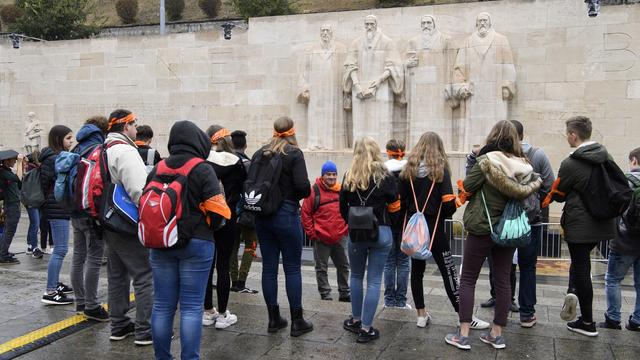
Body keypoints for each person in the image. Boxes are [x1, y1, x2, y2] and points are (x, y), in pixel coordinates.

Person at [445, 121, 541, 350]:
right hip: (508, 229)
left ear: (493, 137)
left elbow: (467, 187)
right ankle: (496, 334)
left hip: (482, 227)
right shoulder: (525, 166)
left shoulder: (486, 162)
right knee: (503, 280)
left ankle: (464, 334)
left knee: (468, 278)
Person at [149, 120, 230, 360]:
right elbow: (219, 213)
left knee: (163, 305)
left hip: (162, 241)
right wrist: (211, 226)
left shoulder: (159, 167)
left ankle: (162, 357)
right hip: (196, 243)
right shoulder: (202, 168)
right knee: (192, 307)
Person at [399, 132, 489, 330]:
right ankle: (463, 316)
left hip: (415, 232)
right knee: (449, 271)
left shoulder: (408, 171)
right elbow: (448, 207)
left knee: (417, 272)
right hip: (435, 232)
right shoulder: (440, 170)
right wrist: (459, 199)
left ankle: (421, 315)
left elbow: (403, 203)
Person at [544, 116, 618, 337]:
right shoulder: (606, 156)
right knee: (579, 266)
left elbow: (559, 194)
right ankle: (572, 294)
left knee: (582, 271)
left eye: (567, 134)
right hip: (603, 223)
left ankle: (587, 322)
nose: (567, 138)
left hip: (580, 226)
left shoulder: (571, 162)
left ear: (573, 135)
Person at [253, 117, 314, 337]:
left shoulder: (260, 152)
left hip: (262, 217)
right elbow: (303, 188)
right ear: (291, 132)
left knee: (269, 268)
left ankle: (273, 319)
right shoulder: (294, 153)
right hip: (286, 214)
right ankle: (297, 321)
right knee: (292, 268)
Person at [340, 137, 399, 343]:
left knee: (355, 276)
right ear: (376, 152)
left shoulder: (349, 176)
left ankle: (355, 320)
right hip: (381, 232)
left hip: (356, 234)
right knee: (374, 280)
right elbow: (395, 205)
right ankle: (366, 328)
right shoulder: (386, 176)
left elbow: (342, 209)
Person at [103, 109, 153, 346]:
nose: (136, 128)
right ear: (125, 126)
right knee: (144, 275)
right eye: (134, 124)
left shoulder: (103, 149)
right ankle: (145, 330)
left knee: (117, 275)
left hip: (108, 221)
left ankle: (119, 325)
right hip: (127, 223)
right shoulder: (126, 151)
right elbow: (138, 191)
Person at [511, 120, 555, 328]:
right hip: (531, 221)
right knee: (528, 267)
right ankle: (527, 314)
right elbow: (549, 185)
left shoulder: (497, 157)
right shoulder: (538, 155)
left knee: (502, 267)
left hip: (505, 222)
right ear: (521, 134)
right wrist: (536, 202)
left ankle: (500, 313)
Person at [202, 125, 247, 329]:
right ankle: (222, 314)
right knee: (223, 266)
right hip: (227, 217)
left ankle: (207, 311)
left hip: (207, 218)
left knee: (207, 267)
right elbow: (242, 188)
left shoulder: (203, 162)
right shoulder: (236, 162)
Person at [69, 115, 110, 321]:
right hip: (91, 211)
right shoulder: (98, 149)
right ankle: (92, 306)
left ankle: (81, 302)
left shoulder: (76, 147)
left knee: (78, 256)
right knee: (94, 257)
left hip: (74, 210)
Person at [599, 147, 640, 332]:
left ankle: (613, 319)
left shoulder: (625, 181)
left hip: (624, 240)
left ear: (633, 160)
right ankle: (637, 321)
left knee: (613, 279)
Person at [301, 160, 350, 302]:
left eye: (334, 174)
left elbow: (348, 209)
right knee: (321, 268)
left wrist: (346, 228)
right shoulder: (314, 191)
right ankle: (325, 293)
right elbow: (306, 213)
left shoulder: (341, 190)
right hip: (321, 237)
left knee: (344, 266)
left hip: (340, 236)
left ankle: (344, 292)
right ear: (323, 175)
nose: (332, 177)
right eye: (329, 174)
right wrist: (312, 234)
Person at [40, 125, 75, 304]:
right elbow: (48, 185)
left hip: (55, 208)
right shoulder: (55, 159)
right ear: (58, 139)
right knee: (60, 249)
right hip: (57, 208)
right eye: (68, 138)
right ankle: (51, 291)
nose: (71, 142)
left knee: (59, 249)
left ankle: (54, 283)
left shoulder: (51, 158)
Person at [229, 130, 259, 294]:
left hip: (229, 211)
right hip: (247, 212)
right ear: (245, 145)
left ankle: (233, 281)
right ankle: (241, 282)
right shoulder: (249, 164)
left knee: (232, 247)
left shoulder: (225, 162)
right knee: (250, 245)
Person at [382, 139, 411, 309]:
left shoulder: (383, 173)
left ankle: (388, 300)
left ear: (388, 152)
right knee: (404, 262)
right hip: (405, 221)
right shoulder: (409, 173)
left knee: (389, 262)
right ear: (403, 152)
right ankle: (400, 300)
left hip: (387, 221)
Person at [0, 150, 25, 264]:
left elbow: (19, 182)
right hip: (11, 205)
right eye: (13, 160)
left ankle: (3, 251)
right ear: (6, 161)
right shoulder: (2, 172)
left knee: (8, 230)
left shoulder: (7, 171)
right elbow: (17, 179)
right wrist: (20, 163)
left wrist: (22, 165)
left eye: (16, 160)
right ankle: (3, 255)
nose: (15, 161)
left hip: (13, 204)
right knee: (9, 230)